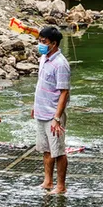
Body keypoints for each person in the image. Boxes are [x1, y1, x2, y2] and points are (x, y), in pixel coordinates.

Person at [32, 26, 70, 194]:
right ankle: (48, 181)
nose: (41, 44)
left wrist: (57, 117)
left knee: (58, 151)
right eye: (40, 41)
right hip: (41, 111)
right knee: (46, 149)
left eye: (44, 42)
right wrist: (35, 107)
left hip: (54, 114)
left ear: (54, 43)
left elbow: (64, 92)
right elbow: (41, 85)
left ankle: (60, 185)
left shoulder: (61, 64)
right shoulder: (43, 58)